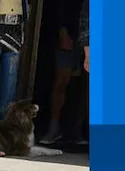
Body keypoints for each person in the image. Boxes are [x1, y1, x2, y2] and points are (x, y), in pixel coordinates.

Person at [39, 0, 85, 144]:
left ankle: (78, 130)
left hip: (92, 33)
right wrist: (62, 30)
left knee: (87, 85)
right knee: (61, 82)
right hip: (70, 32)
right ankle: (54, 128)